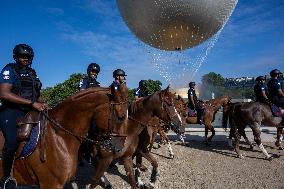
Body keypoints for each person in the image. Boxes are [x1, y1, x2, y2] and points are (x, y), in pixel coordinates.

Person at [0, 44, 47, 188]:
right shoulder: (9, 70)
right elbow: (4, 93)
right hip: (11, 110)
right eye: (22, 56)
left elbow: (36, 93)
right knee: (12, 141)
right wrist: (32, 103)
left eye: (28, 57)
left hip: (30, 109)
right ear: (16, 57)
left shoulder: (33, 73)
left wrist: (42, 103)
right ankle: (6, 177)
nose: (25, 59)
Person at [78, 63, 101, 165]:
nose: (94, 73)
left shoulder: (98, 84)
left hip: (95, 112)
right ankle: (80, 154)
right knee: (83, 134)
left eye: (96, 72)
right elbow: (81, 93)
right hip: (85, 110)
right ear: (88, 71)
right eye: (92, 71)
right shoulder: (84, 81)